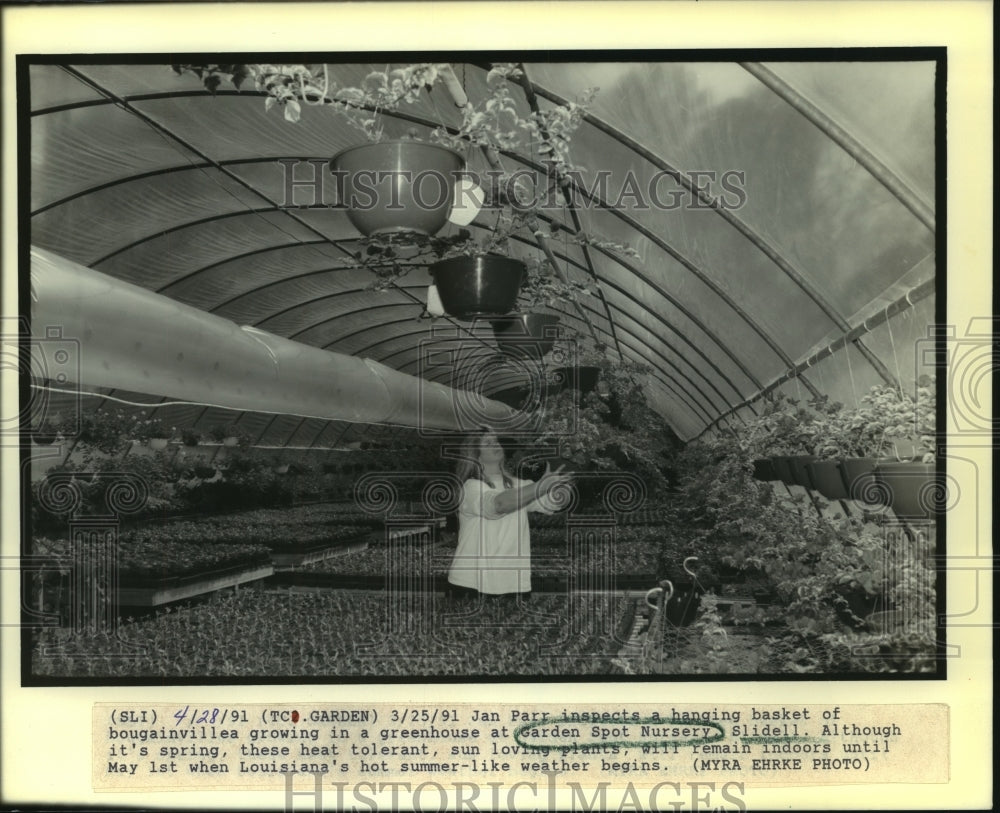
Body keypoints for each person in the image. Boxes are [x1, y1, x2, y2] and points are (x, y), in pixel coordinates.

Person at [447, 429, 572, 598]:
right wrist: (541, 486)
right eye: (488, 443)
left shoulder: (519, 484)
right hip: (472, 584)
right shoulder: (470, 487)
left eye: (496, 440)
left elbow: (556, 502)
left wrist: (565, 473)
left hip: (514, 584)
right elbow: (500, 504)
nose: (496, 444)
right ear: (475, 456)